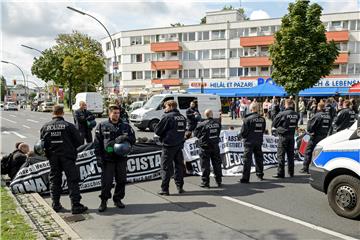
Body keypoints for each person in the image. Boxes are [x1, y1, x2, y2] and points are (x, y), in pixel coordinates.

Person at [40, 105, 88, 214]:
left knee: (55, 180)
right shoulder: (69, 126)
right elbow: (79, 142)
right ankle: (75, 205)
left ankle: (55, 204)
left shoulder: (45, 127)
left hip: (53, 158)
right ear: (62, 113)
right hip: (68, 157)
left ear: (52, 113)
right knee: (72, 180)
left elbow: (42, 144)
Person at [94, 105, 136, 212]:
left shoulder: (126, 126)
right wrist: (98, 157)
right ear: (109, 113)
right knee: (106, 182)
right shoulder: (102, 125)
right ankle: (104, 201)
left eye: (118, 113)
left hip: (121, 158)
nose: (116, 115)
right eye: (114, 113)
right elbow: (97, 143)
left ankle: (117, 199)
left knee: (121, 180)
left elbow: (133, 139)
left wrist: (125, 137)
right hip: (108, 159)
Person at [154, 100, 187, 195]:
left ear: (170, 106)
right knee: (179, 167)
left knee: (165, 168)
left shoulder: (167, 117)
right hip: (179, 145)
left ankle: (164, 189)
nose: (165, 109)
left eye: (165, 107)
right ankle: (180, 186)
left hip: (168, 146)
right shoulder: (182, 117)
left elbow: (157, 131)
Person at [300, 102, 331, 173]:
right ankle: (319, 167)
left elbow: (310, 126)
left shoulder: (317, 115)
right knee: (320, 152)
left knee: (309, 151)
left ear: (318, 107)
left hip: (315, 136)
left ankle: (305, 168)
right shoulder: (328, 116)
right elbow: (330, 126)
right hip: (324, 136)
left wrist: (310, 131)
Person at [238, 103, 266, 183]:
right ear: (257, 109)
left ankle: (245, 178)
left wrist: (240, 136)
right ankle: (260, 174)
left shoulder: (247, 119)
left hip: (249, 142)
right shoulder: (262, 119)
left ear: (251, 109)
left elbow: (243, 132)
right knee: (259, 158)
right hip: (258, 141)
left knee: (247, 160)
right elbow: (263, 130)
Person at [194, 109, 222, 188]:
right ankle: (218, 181)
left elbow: (196, 134)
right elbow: (218, 132)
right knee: (217, 164)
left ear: (205, 115)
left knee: (205, 165)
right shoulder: (218, 123)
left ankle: (205, 182)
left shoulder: (202, 124)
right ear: (212, 114)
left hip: (205, 147)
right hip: (215, 146)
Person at [272, 99, 299, 178]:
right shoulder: (296, 114)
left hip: (283, 136)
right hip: (291, 136)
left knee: (281, 155)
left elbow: (274, 123)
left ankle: (280, 173)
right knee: (290, 155)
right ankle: (291, 172)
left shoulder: (282, 114)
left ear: (286, 105)